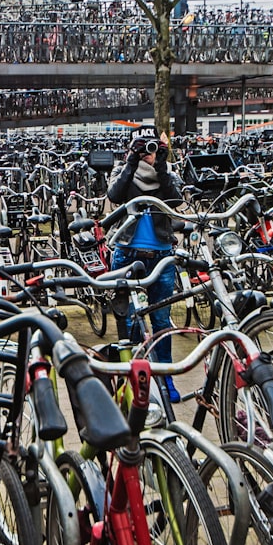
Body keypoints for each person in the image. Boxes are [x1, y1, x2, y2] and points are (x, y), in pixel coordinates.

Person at [107, 126, 184, 402]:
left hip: (161, 255)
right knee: (129, 323)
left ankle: (166, 378)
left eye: (152, 147)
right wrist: (131, 160)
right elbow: (115, 196)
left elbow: (176, 199)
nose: (148, 154)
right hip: (128, 253)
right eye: (144, 148)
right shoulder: (123, 171)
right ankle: (134, 380)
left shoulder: (167, 172)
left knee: (161, 321)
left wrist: (161, 163)